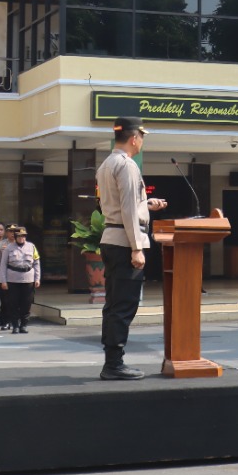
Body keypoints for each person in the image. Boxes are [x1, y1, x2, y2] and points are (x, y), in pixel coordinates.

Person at [96, 115, 168, 379]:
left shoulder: (107, 163)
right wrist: (137, 247)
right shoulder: (127, 166)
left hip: (113, 238)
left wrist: (146, 206)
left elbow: (119, 205)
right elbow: (126, 208)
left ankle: (112, 360)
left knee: (114, 304)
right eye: (142, 137)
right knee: (124, 305)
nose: (142, 142)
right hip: (125, 242)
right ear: (134, 138)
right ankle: (114, 364)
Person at [0, 225, 41, 334]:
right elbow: (3, 265)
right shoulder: (8, 248)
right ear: (15, 237)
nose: (22, 238)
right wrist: (3, 280)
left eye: (24, 236)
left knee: (26, 303)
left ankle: (24, 325)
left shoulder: (31, 247)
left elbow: (36, 263)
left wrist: (37, 278)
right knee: (13, 303)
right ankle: (15, 325)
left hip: (28, 279)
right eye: (19, 236)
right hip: (13, 279)